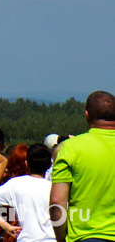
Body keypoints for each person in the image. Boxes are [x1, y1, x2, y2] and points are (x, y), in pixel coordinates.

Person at [52, 91, 115, 242]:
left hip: (85, 236)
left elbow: (57, 202)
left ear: (87, 115)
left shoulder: (71, 148)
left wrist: (60, 238)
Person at [0, 143, 55, 242]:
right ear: (49, 165)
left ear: (26, 163)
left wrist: (5, 226)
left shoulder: (15, 184)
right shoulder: (55, 188)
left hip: (25, 238)